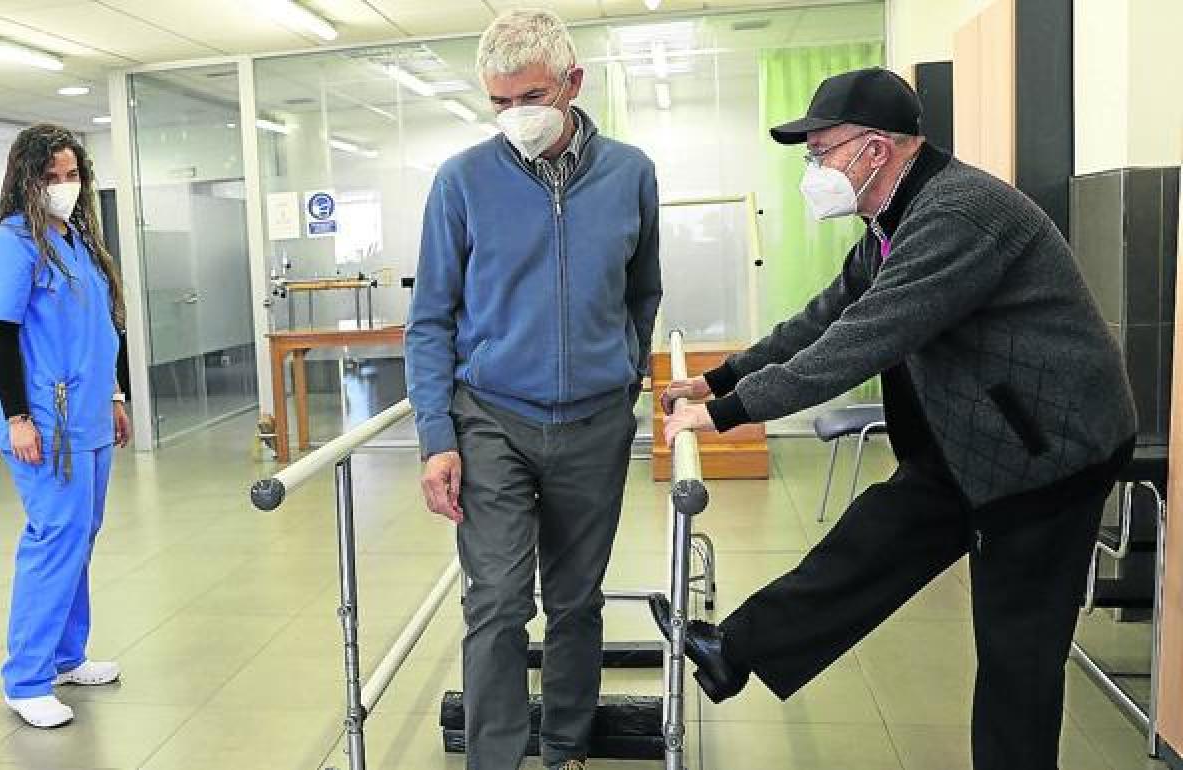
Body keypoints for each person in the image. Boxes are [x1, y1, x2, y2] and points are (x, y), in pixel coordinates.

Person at [649, 67, 1136, 770]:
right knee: (873, 541)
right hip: (973, 436)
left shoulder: (957, 215)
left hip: (1048, 450)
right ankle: (737, 651)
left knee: (1016, 654)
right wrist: (720, 375)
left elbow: (863, 339)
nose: (814, 168)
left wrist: (725, 415)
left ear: (874, 150)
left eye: (822, 151)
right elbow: (828, 314)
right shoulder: (893, 217)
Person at [405, 9, 662, 769]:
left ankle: (565, 751)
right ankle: (495, 760)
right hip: (492, 419)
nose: (515, 116)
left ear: (573, 83)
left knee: (577, 603)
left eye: (531, 96)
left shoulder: (631, 174)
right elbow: (429, 321)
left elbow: (641, 294)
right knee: (497, 605)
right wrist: (436, 437)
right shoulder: (461, 182)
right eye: (499, 102)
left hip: (594, 423)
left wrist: (623, 381)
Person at [0, 124, 131, 728]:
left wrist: (115, 395)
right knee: (54, 537)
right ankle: (26, 677)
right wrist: (16, 417)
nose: (64, 187)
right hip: (44, 422)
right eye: (51, 177)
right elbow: (0, 337)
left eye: (72, 176)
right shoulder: (12, 244)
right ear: (26, 180)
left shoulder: (75, 242)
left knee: (80, 535)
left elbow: (98, 329)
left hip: (88, 416)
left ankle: (67, 656)